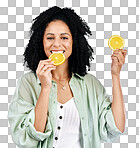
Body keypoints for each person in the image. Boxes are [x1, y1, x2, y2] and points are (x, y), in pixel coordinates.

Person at [8, 6, 127, 148]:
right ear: (41, 42)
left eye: (64, 37)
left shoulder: (91, 83)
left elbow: (116, 128)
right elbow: (29, 138)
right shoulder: (28, 82)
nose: (57, 43)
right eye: (50, 38)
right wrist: (45, 88)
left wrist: (115, 75)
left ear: (74, 42)